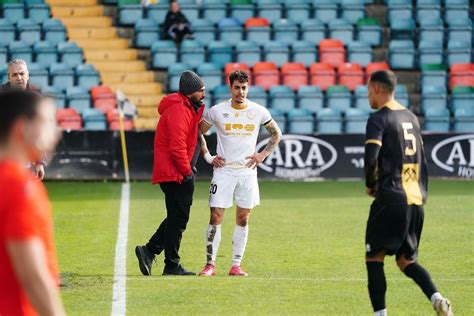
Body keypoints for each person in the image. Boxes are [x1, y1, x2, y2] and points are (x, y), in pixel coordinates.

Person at [364, 70, 453, 316]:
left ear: (377, 89)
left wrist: (371, 183)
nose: (367, 96)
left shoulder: (379, 119)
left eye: (368, 90)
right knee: (406, 261)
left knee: (374, 258)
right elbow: (422, 160)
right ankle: (438, 298)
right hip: (415, 200)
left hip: (391, 198)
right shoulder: (411, 117)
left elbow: (371, 159)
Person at [197, 70, 282, 277]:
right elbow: (198, 132)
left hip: (247, 173)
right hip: (223, 171)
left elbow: (276, 134)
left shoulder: (258, 111)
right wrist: (209, 157)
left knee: (243, 218)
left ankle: (235, 265)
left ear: (248, 88)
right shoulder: (217, 111)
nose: (240, 92)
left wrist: (263, 154)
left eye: (244, 88)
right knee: (216, 216)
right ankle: (210, 264)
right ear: (230, 88)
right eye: (237, 87)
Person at [0, 90, 65, 316]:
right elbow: (33, 277)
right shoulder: (20, 188)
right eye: (47, 122)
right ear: (22, 128)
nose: (56, 133)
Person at [135, 70, 206, 276]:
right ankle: (170, 264)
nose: (203, 94)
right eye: (201, 91)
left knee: (176, 217)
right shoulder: (180, 110)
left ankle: (150, 251)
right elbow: (177, 146)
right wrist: (187, 171)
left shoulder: (182, 107)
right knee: (178, 218)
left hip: (173, 172)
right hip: (176, 173)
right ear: (190, 92)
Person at [2, 59, 46, 180]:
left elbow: (39, 133)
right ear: (9, 77)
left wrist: (39, 162)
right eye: (15, 75)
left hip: (25, 163)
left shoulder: (35, 100)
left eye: (22, 73)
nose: (19, 77)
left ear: (28, 75)